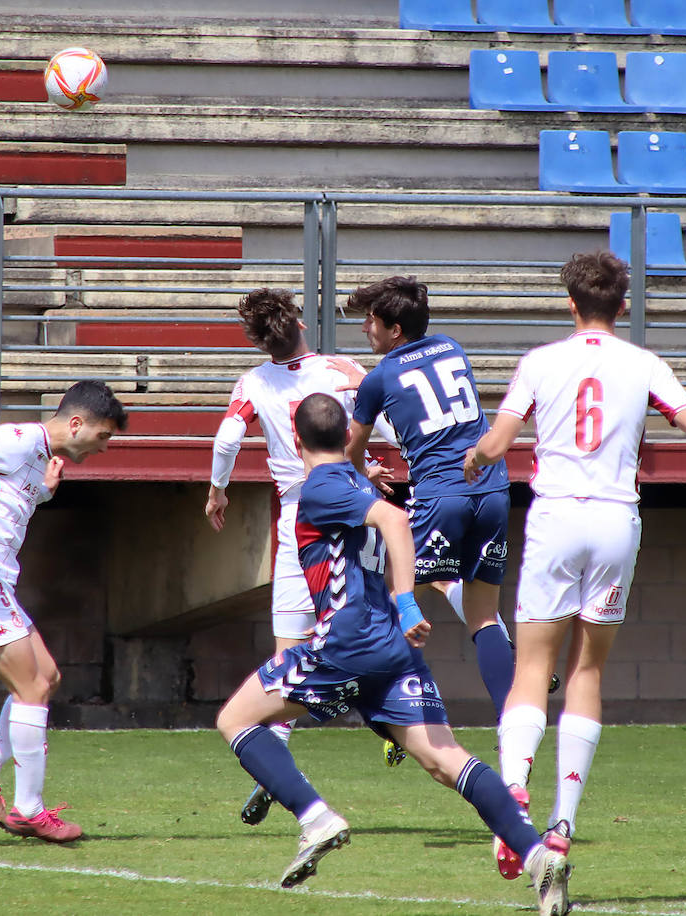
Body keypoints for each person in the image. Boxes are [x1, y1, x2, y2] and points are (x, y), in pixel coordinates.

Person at [215, 393, 570, 915]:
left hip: (348, 640)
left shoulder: (322, 486)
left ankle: (315, 819)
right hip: (389, 650)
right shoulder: (358, 480)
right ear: (346, 436)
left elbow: (397, 524)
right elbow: (385, 518)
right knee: (445, 759)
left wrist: (406, 603)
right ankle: (538, 856)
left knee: (235, 718)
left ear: (295, 440)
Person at [463, 251, 686, 875]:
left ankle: (512, 796)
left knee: (532, 665)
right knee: (587, 669)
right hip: (616, 521)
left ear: (570, 304)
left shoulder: (540, 362)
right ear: (623, 306)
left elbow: (499, 441)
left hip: (556, 516)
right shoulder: (643, 364)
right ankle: (563, 823)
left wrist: (475, 459)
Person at [205, 287, 395, 825]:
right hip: (353, 503)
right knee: (368, 624)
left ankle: (279, 766)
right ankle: (394, 724)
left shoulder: (253, 382)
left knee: (291, 654)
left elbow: (225, 440)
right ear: (302, 324)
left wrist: (218, 490)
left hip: (298, 516)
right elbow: (383, 424)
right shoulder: (339, 367)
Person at [0, 380, 128, 844]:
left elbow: (8, 499)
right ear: (76, 423)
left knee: (48, 678)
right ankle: (29, 810)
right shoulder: (20, 439)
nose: (103, 448)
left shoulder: (38, 458)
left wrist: (43, 493)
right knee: (32, 688)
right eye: (103, 437)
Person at [338, 276, 515, 726]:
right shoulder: (452, 347)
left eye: (370, 321)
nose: (365, 329)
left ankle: (400, 717)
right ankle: (515, 730)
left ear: (394, 329)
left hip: (440, 495)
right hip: (492, 489)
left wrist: (363, 476)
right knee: (484, 618)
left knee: (381, 595)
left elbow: (352, 449)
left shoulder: (377, 379)